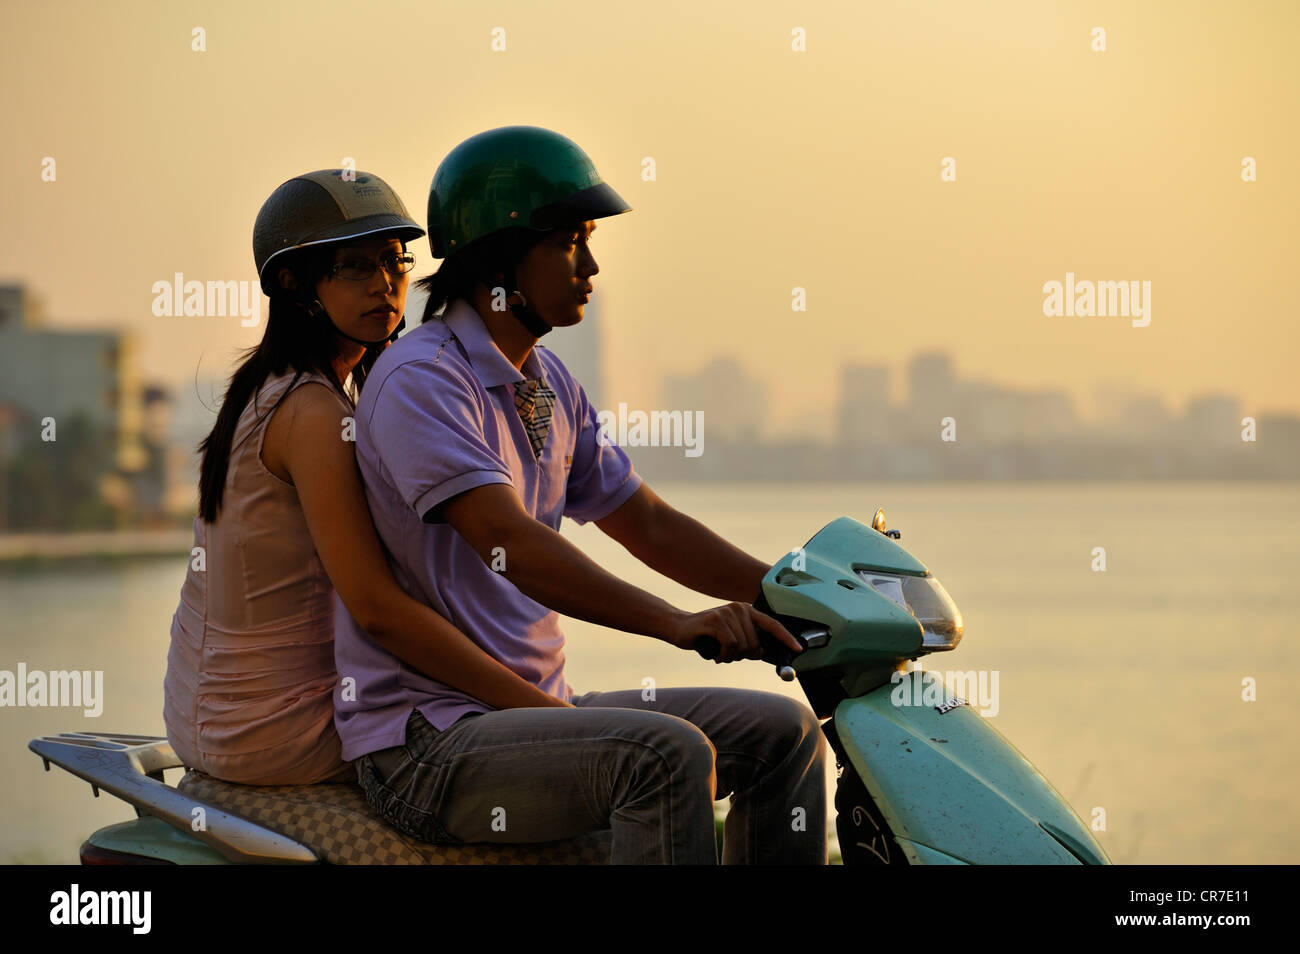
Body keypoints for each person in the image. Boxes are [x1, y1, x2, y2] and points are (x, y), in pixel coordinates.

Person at [335, 127, 829, 863]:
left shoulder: (547, 382)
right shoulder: (423, 380)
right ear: (501, 258)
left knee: (786, 736)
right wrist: (674, 623)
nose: (591, 266)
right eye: (569, 242)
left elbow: (648, 523)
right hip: (429, 739)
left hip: (535, 714)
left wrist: (793, 598)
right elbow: (511, 546)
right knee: (666, 756)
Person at [164, 169, 571, 787]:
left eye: (393, 261)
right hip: (272, 728)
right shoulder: (314, 411)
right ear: (293, 283)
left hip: (210, 711)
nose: (386, 283)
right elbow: (378, 610)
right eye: (353, 267)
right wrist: (547, 715)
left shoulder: (275, 389)